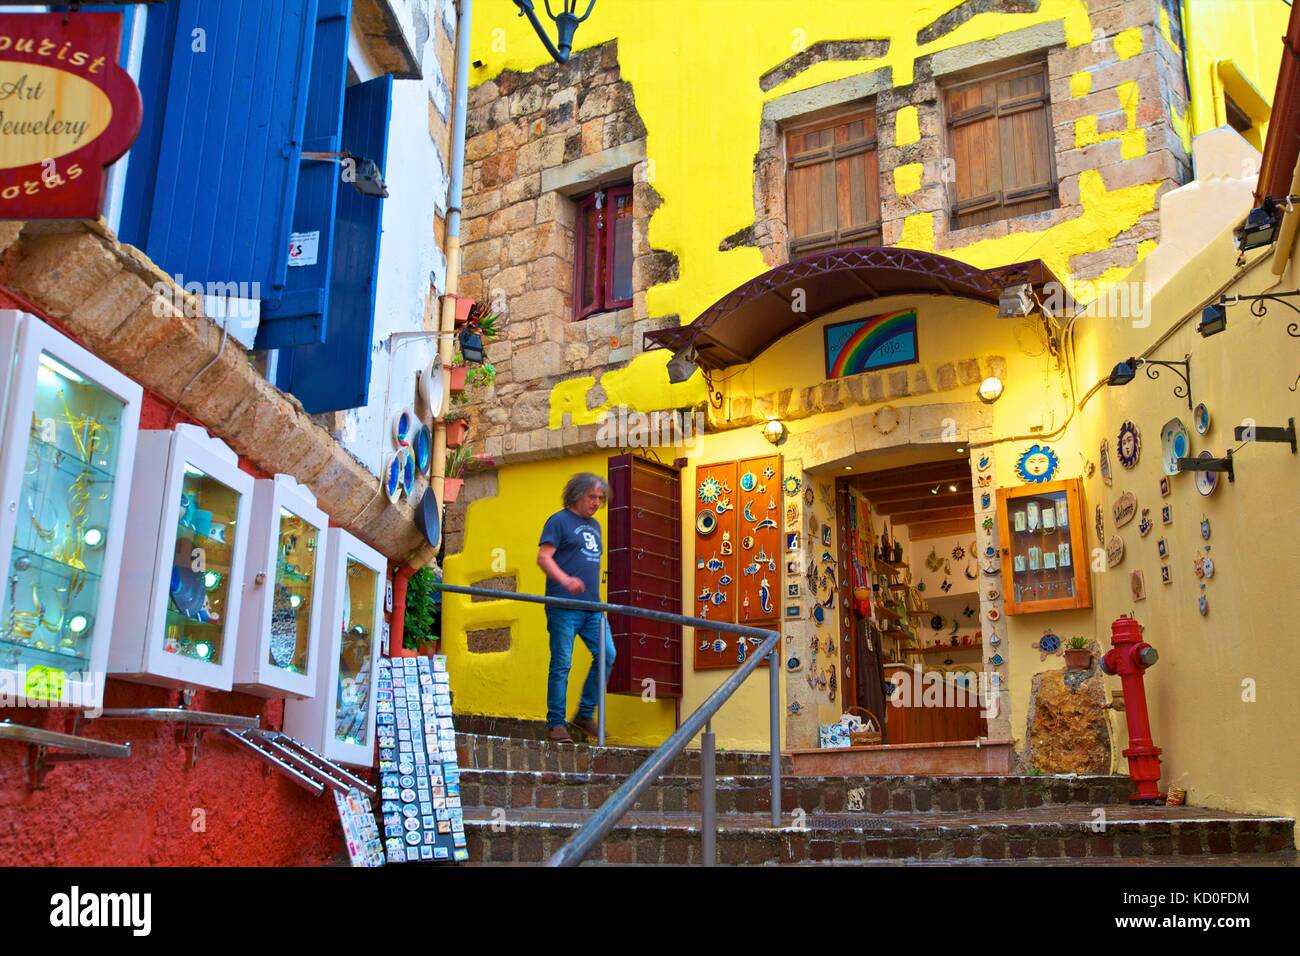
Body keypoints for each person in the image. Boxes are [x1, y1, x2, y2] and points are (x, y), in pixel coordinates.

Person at [536, 473, 615, 742]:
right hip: (563, 606)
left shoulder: (595, 526)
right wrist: (565, 580)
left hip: (593, 608)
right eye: (591, 496)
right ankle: (556, 723)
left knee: (607, 655)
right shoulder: (558, 521)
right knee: (562, 663)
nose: (596, 503)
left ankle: (583, 714)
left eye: (600, 498)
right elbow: (543, 558)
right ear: (576, 494)